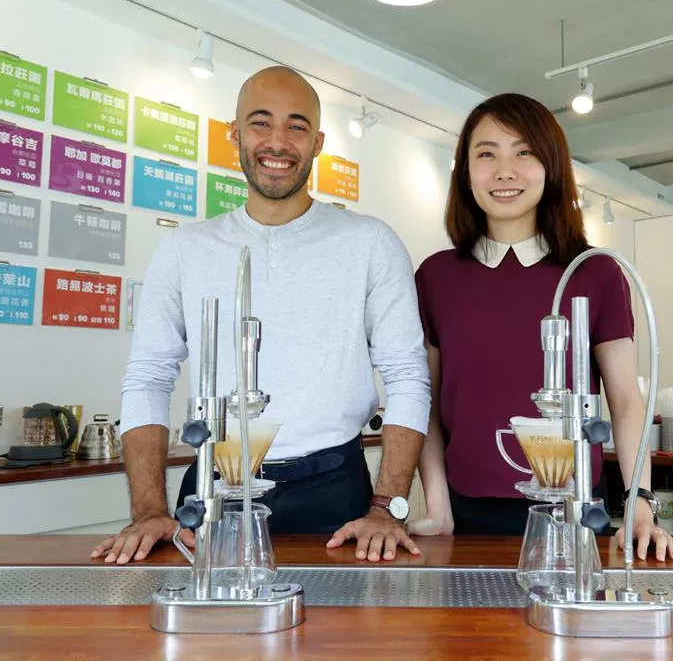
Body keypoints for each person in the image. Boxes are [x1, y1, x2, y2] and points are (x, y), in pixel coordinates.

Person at [91, 66, 430, 566]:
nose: (277, 142)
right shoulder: (186, 248)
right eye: (260, 122)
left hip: (334, 490)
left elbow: (407, 376)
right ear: (234, 134)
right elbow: (148, 377)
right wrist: (148, 511)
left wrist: (387, 507)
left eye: (296, 126)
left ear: (317, 143)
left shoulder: (370, 242)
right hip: (212, 482)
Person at [406, 93, 673, 562]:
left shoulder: (595, 271)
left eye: (524, 152)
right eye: (486, 154)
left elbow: (625, 399)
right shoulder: (437, 276)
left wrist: (639, 506)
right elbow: (427, 401)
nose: (505, 171)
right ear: (466, 172)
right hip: (466, 512)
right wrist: (437, 505)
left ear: (552, 166)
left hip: (575, 510)